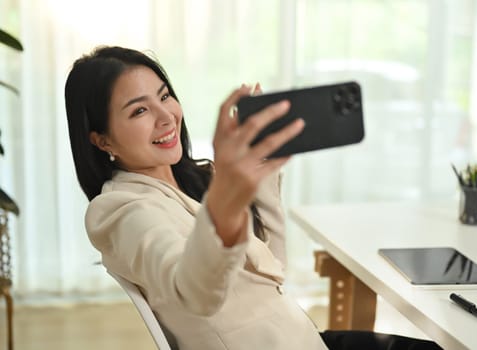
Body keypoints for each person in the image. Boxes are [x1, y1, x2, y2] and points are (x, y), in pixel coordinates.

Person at [64, 46, 442, 350]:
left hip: (301, 338)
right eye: (140, 110)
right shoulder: (119, 211)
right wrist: (227, 197)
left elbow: (271, 269)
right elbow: (193, 291)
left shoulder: (198, 179)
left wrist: (262, 174)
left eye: (165, 96)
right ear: (101, 140)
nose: (167, 117)